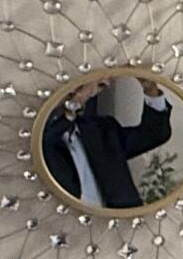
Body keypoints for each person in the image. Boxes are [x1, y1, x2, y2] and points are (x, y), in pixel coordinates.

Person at [40, 73, 176, 210]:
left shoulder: (101, 129)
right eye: (100, 84)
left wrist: (150, 90)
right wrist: (73, 103)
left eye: (101, 87)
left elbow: (154, 134)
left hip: (120, 226)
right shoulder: (38, 135)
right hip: (62, 225)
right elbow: (46, 140)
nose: (94, 92)